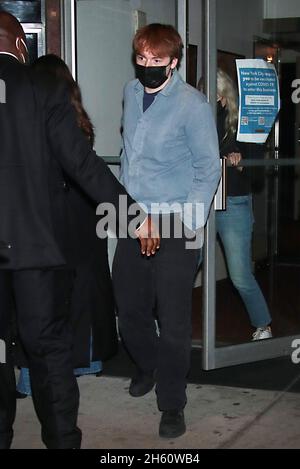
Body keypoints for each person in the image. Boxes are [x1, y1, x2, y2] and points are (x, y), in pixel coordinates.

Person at [0, 12, 159, 449]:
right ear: (20, 46)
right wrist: (134, 215)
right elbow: (83, 165)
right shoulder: (41, 88)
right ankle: (63, 441)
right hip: (35, 250)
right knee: (48, 350)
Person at [112, 23, 220, 439]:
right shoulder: (130, 92)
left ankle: (172, 401)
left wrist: (188, 221)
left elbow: (207, 167)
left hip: (176, 221)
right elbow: (127, 154)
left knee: (173, 318)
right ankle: (148, 363)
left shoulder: (192, 105)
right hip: (132, 217)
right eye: (142, 59)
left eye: (157, 61)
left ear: (174, 62)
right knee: (129, 307)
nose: (148, 67)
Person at [15, 54, 118, 397]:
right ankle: (84, 363)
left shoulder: (27, 116)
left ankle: (33, 378)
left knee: (43, 303)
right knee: (79, 294)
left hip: (49, 219)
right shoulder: (77, 120)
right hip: (82, 216)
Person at [212, 69, 272, 340]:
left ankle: (263, 325)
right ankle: (167, 322)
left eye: (211, 95)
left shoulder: (243, 124)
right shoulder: (195, 120)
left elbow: (257, 176)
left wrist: (240, 165)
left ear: (223, 96)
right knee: (183, 266)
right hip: (201, 202)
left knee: (239, 274)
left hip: (233, 202)